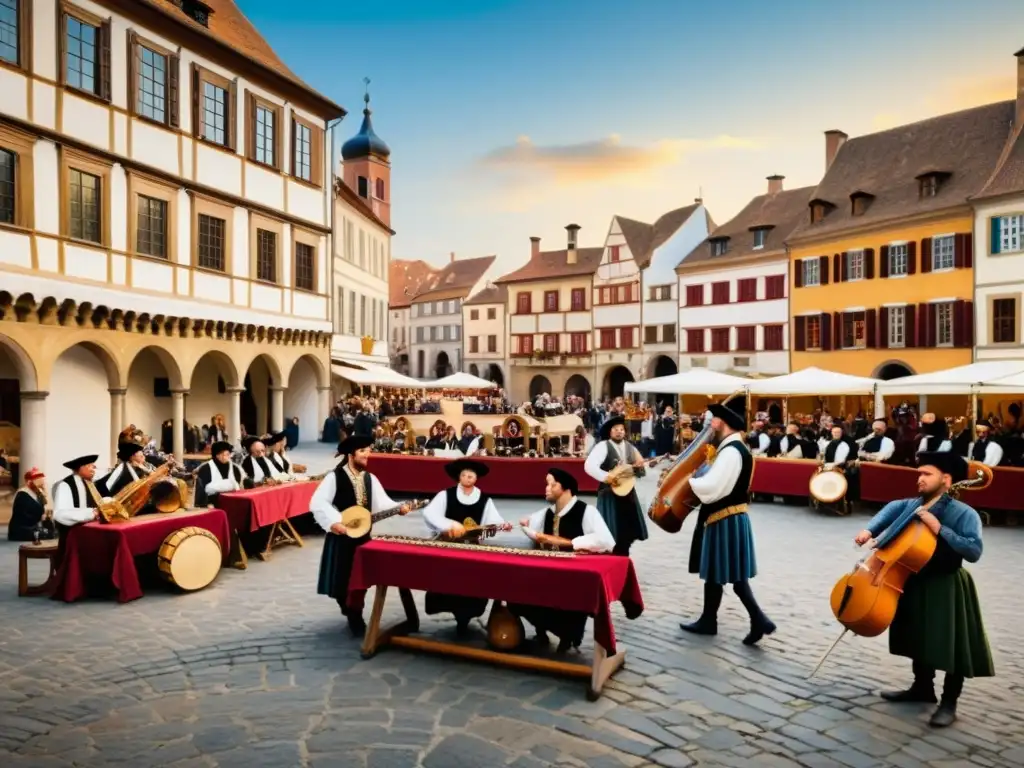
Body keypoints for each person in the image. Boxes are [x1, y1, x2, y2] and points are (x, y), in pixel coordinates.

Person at [854, 452, 994, 728]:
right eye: (919, 473)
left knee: (951, 645)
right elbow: (890, 510)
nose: (919, 479)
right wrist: (869, 531)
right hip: (913, 579)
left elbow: (974, 550)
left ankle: (949, 702)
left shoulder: (964, 513)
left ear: (946, 478)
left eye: (926, 474)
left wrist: (940, 528)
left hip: (946, 582)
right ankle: (922, 688)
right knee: (917, 636)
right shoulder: (912, 505)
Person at [680, 396, 775, 645]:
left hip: (724, 517)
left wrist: (686, 482)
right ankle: (715, 619)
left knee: (728, 573)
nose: (709, 425)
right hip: (728, 516)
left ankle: (754, 619)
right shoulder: (732, 448)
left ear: (722, 422)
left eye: (712, 420)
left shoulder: (731, 452)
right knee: (721, 572)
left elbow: (714, 486)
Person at [311, 436, 413, 637]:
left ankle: (355, 615)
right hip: (341, 536)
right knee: (341, 580)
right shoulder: (334, 477)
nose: (368, 454)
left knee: (359, 580)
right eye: (363, 451)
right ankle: (347, 606)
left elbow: (382, 503)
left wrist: (398, 508)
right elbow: (318, 503)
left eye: (368, 450)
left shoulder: (370, 478)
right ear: (351, 455)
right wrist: (334, 522)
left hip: (363, 537)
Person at [510, 468, 616, 652]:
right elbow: (532, 524)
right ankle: (541, 631)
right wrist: (526, 522)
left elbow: (607, 541)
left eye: (553, 484)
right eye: (547, 484)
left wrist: (572, 543)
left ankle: (568, 637)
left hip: (574, 576)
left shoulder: (586, 511)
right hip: (548, 572)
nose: (547, 488)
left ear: (566, 489)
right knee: (517, 593)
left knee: (569, 598)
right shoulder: (547, 513)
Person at [421, 458, 512, 635]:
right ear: (458, 478)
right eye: (464, 475)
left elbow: (493, 521)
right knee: (448, 584)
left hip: (473, 551)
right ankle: (453, 612)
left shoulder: (485, 500)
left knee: (471, 585)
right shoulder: (445, 495)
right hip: (448, 550)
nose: (468, 478)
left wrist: (502, 525)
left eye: (471, 475)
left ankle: (466, 617)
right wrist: (449, 525)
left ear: (476, 478)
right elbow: (429, 513)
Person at [584, 415, 649, 556]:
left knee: (627, 528)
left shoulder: (630, 447)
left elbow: (641, 468)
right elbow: (589, 466)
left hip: (628, 491)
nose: (619, 432)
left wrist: (639, 468)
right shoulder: (603, 446)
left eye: (621, 429)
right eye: (616, 429)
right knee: (610, 526)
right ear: (610, 432)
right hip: (609, 492)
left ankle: (624, 551)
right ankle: (611, 552)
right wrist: (607, 477)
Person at [52, 454, 105, 527]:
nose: (93, 470)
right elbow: (60, 514)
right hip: (72, 534)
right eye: (89, 466)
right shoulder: (65, 485)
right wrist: (91, 513)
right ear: (81, 467)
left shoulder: (90, 483)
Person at [194, 441, 248, 507]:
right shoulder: (205, 468)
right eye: (223, 454)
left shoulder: (235, 468)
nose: (225, 457)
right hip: (213, 502)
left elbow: (241, 485)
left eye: (228, 454)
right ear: (216, 455)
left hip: (234, 500)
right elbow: (202, 490)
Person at [8, 467, 53, 542]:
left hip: (34, 526)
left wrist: (45, 517)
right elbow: (23, 516)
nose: (41, 481)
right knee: (47, 534)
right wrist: (40, 518)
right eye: (37, 479)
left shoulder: (38, 493)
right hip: (22, 528)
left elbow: (41, 509)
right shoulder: (22, 494)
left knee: (53, 532)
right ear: (29, 481)